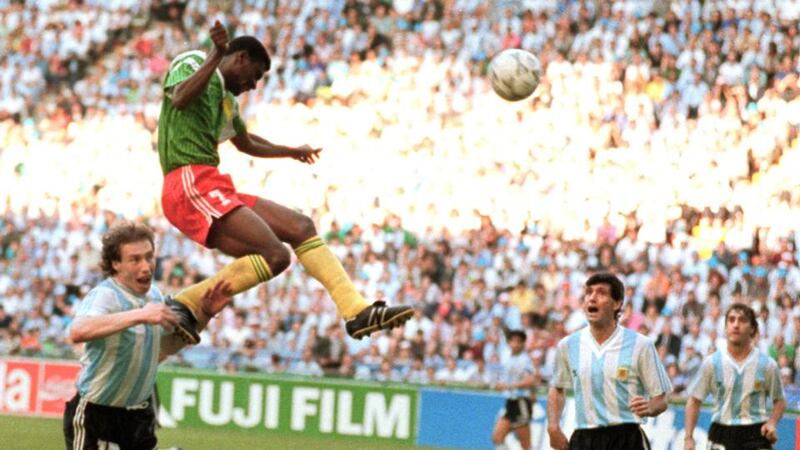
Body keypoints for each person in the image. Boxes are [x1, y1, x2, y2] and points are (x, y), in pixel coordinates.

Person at [157, 20, 412, 344]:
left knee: (300, 227)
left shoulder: (228, 102)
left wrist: (290, 151)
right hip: (188, 182)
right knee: (275, 256)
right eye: (256, 75)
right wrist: (214, 54)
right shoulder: (193, 62)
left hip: (212, 184)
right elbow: (179, 98)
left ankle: (356, 310)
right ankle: (186, 304)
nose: (254, 85)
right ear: (240, 58)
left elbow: (246, 143)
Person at [62, 222, 232, 449]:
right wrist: (140, 315)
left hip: (137, 416)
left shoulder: (154, 295)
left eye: (149, 256)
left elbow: (165, 349)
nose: (146, 266)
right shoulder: (106, 295)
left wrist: (205, 315)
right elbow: (78, 331)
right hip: (96, 413)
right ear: (115, 264)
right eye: (135, 259)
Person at [547, 272, 672, 450]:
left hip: (626, 438)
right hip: (584, 438)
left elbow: (661, 399)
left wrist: (650, 407)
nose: (592, 298)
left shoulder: (640, 345)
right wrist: (553, 427)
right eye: (588, 293)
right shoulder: (568, 345)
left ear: (617, 303)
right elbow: (557, 388)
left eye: (601, 293)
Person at [683, 303, 786, 450]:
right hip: (722, 431)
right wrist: (688, 438)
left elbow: (780, 400)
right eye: (731, 320)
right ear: (725, 328)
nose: (735, 325)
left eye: (742, 320)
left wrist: (772, 423)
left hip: (755, 433)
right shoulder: (712, 363)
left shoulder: (767, 365)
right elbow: (694, 401)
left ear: (752, 328)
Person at [491, 329, 536, 450]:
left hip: (521, 401)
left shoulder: (524, 359)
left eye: (518, 341)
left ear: (523, 343)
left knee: (525, 444)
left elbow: (530, 380)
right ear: (509, 342)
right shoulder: (508, 357)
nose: (515, 344)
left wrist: (508, 386)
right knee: (497, 437)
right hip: (510, 402)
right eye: (512, 341)